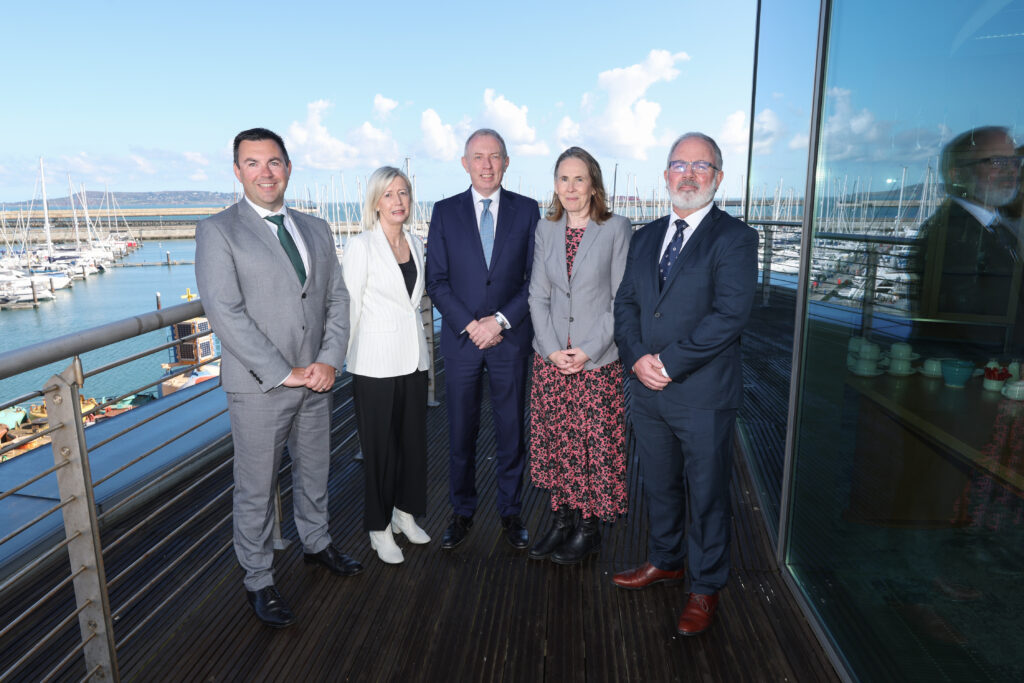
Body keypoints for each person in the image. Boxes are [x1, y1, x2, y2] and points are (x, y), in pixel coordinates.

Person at [195, 127, 362, 629]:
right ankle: (258, 578)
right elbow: (225, 314)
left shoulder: (315, 228)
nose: (265, 172)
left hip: (315, 378)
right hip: (259, 385)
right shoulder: (218, 231)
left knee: (314, 470)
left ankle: (316, 543)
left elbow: (336, 299)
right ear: (237, 171)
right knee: (255, 486)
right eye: (252, 163)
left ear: (288, 168)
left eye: (273, 162)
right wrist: (280, 372)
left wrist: (330, 359)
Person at [612, 132, 758, 635]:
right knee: (659, 484)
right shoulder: (646, 235)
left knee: (708, 493)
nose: (688, 174)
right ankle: (665, 560)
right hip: (646, 392)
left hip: (702, 394)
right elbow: (627, 303)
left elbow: (730, 315)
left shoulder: (735, 238)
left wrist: (669, 363)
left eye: (701, 166)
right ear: (666, 174)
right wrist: (634, 359)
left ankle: (705, 586)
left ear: (717, 178)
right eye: (679, 165)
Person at [425, 129, 540, 550]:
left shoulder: (527, 211)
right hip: (462, 341)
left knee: (511, 429)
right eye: (478, 157)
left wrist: (501, 321)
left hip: (510, 340)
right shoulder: (444, 212)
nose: (487, 165)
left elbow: (535, 278)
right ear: (465, 163)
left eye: (495, 156)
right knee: (461, 431)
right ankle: (462, 510)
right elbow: (436, 282)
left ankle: (511, 512)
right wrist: (472, 325)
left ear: (506, 162)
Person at [527, 147, 631, 564]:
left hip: (596, 362)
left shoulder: (616, 228)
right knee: (557, 442)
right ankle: (561, 520)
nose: (571, 188)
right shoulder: (545, 229)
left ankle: (589, 530)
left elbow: (621, 300)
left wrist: (587, 351)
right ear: (555, 186)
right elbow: (537, 295)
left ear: (594, 185)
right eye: (563, 179)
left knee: (591, 445)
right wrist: (553, 351)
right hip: (551, 360)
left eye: (579, 179)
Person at [342, 166, 431, 565]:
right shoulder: (362, 246)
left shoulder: (415, 241)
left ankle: (404, 514)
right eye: (390, 194)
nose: (398, 201)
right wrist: (338, 360)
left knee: (412, 444)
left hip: (413, 359)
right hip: (374, 364)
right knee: (379, 451)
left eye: (404, 193)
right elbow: (348, 306)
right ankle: (379, 528)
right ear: (376, 202)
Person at [910, 126, 1023, 356]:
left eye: (1014, 162)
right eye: (997, 162)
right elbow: (968, 330)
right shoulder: (951, 235)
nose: (1011, 171)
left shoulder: (997, 229)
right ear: (958, 174)